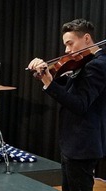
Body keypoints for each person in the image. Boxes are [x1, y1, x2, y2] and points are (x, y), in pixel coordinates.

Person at [27, 18, 106, 191]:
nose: (67, 50)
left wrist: (49, 82)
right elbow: (68, 87)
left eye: (70, 44)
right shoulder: (84, 62)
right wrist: (47, 75)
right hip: (72, 143)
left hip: (82, 145)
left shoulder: (98, 65)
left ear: (86, 38)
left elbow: (80, 104)